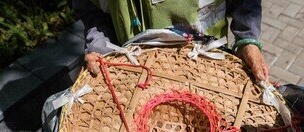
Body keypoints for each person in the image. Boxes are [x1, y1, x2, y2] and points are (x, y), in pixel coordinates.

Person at [72, 0, 269, 81]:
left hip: (209, 73)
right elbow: (93, 10)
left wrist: (247, 40)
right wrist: (100, 48)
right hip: (138, 78)